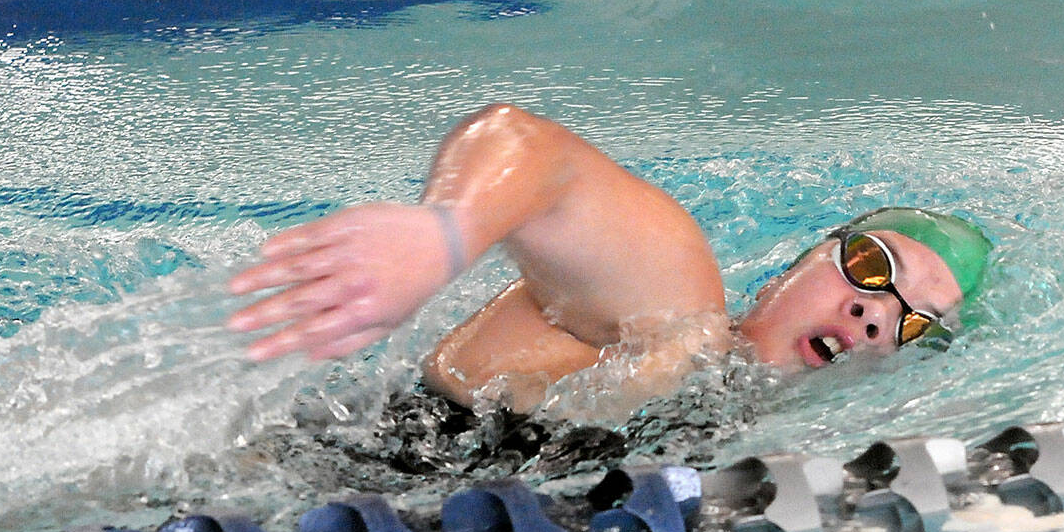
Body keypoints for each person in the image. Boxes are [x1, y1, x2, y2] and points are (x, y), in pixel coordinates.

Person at [227, 104, 991, 419]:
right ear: (795, 267)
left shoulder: (753, 436)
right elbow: (533, 149)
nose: (874, 310)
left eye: (913, 321)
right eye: (870, 265)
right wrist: (446, 234)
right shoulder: (674, 318)